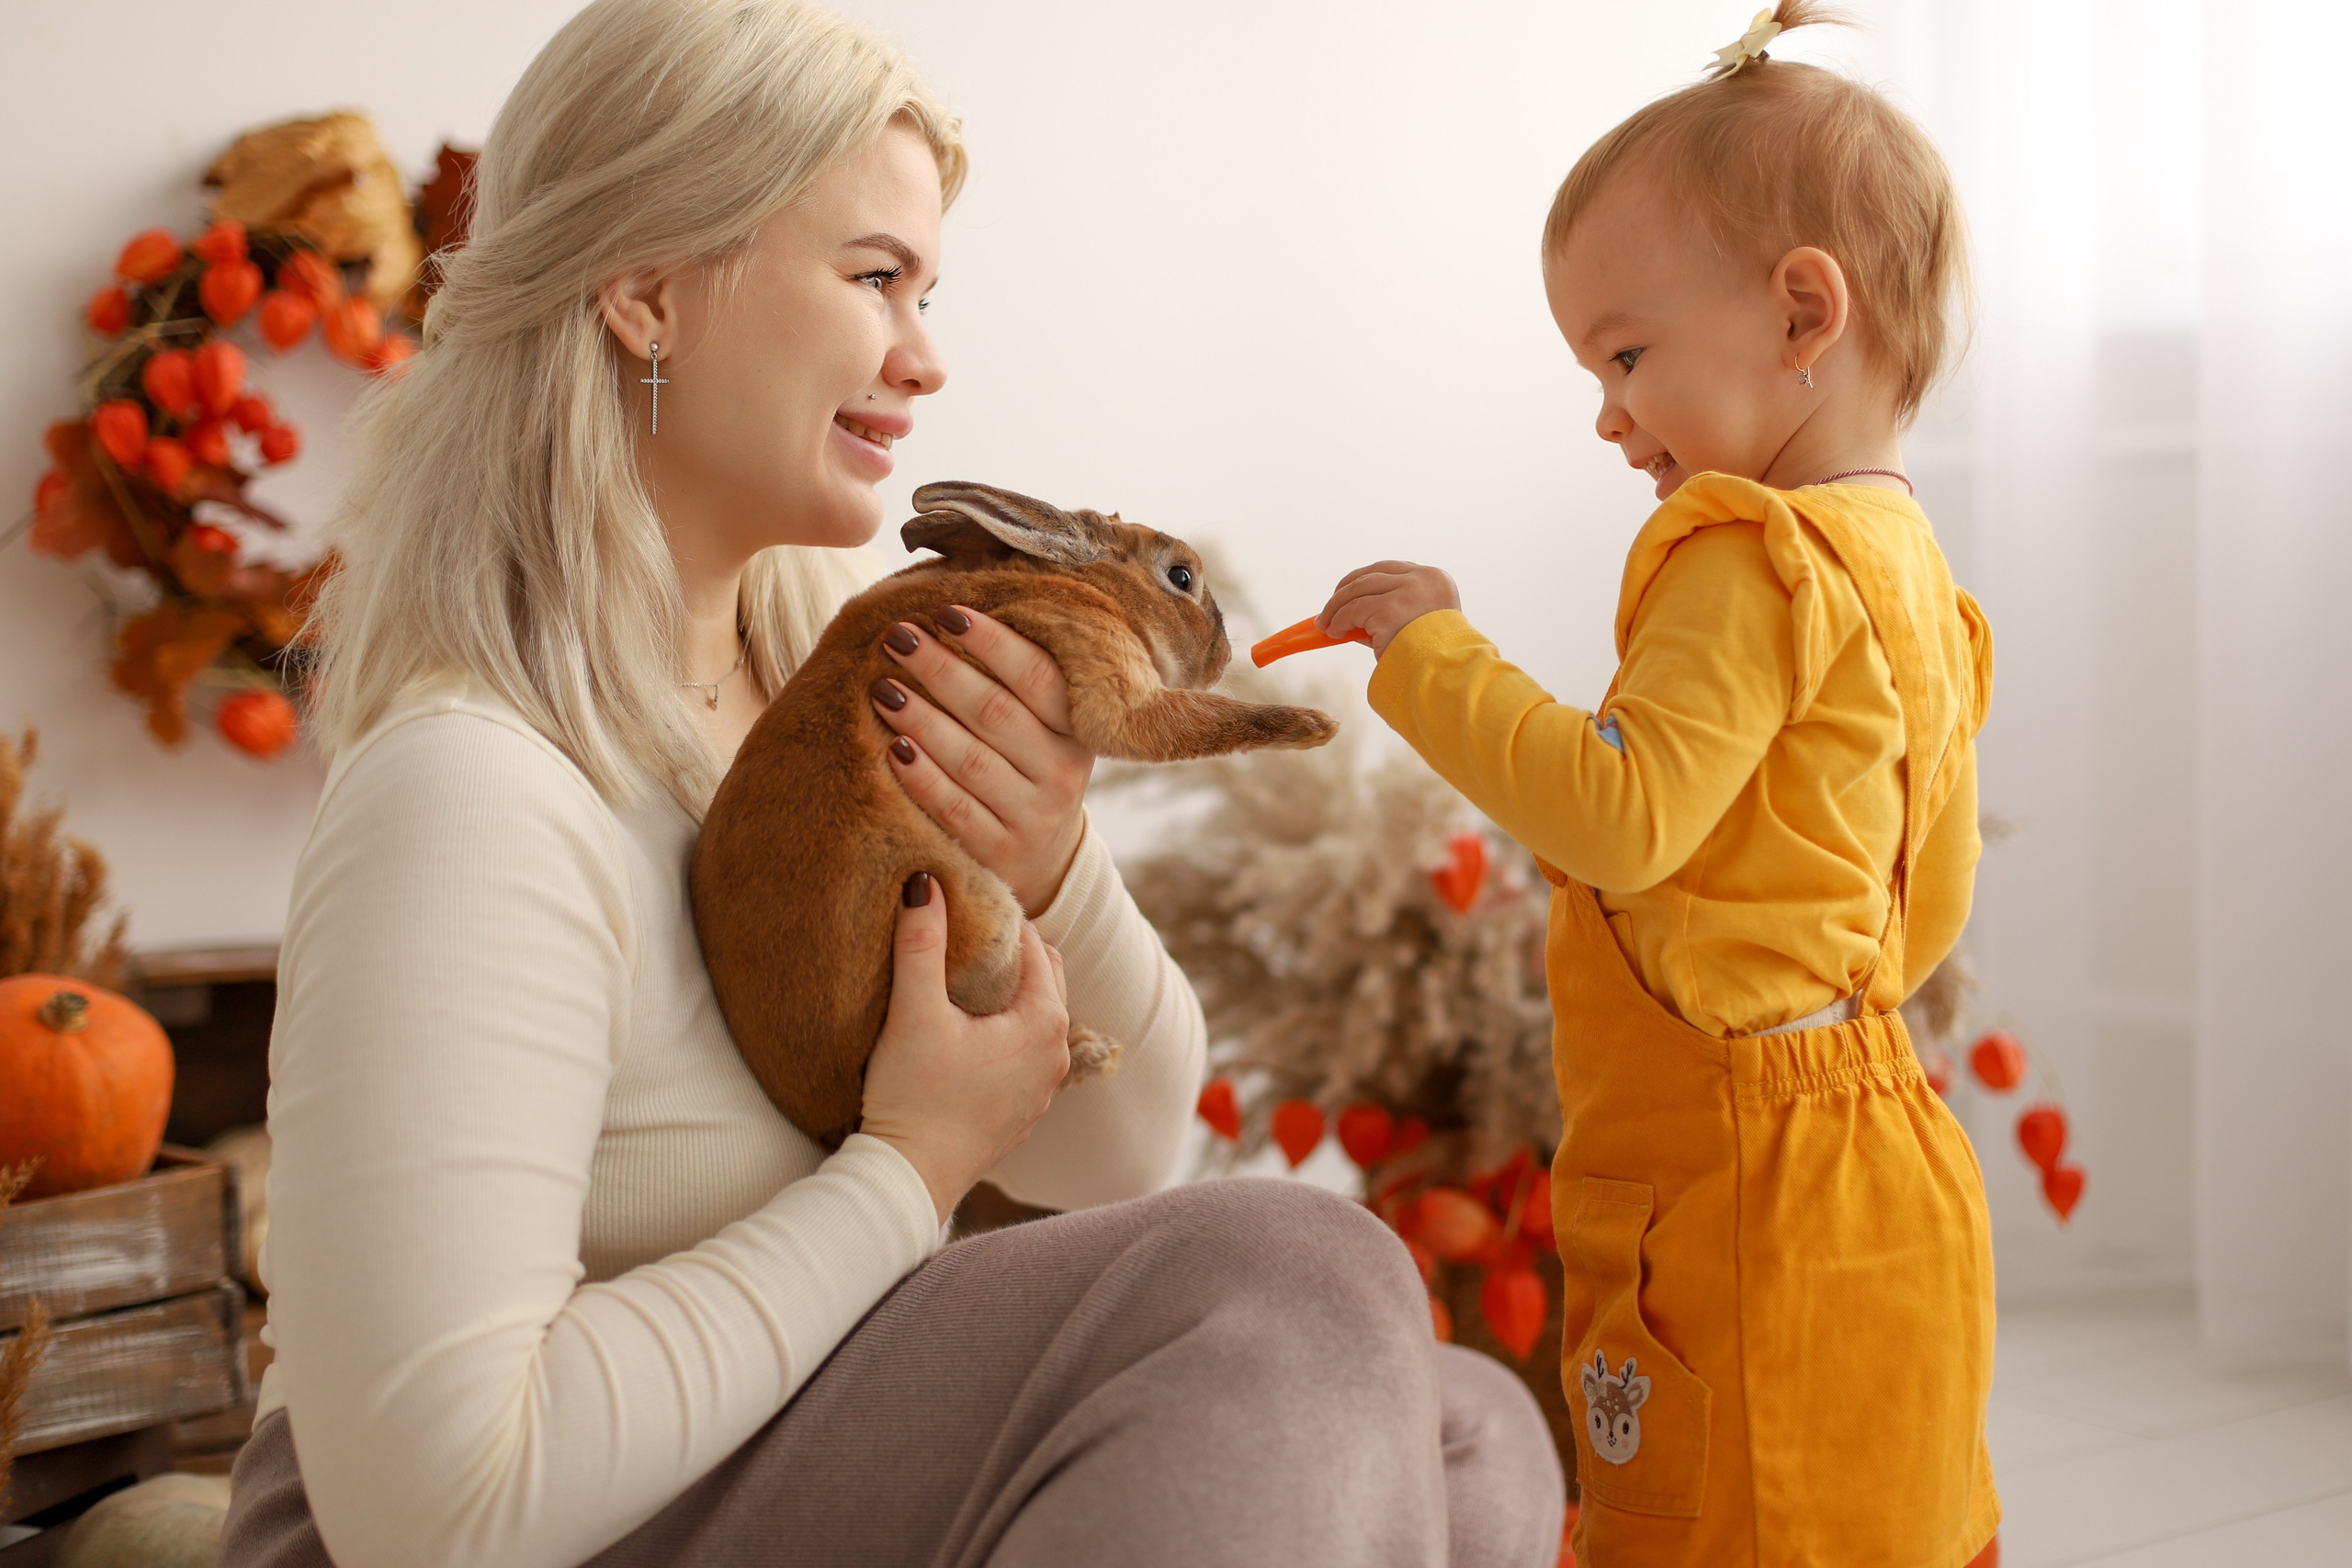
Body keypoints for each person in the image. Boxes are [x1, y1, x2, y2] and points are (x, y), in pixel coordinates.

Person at [218, 3, 1564, 1566]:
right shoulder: (472, 793)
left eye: (927, 291)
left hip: (743, 1457)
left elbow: (1117, 1159)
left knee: (1464, 1422)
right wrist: (909, 1170)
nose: (925, 359)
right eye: (875, 280)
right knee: (1296, 1281)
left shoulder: (828, 717)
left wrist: (1049, 859)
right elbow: (437, 1508)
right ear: (648, 291)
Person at [1316, 5, 1999, 1564]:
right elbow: (1930, 900)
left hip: (1742, 1173)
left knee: (1714, 1522)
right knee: (1884, 1513)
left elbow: (1619, 816)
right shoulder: (1920, 581)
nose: (1611, 413)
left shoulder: (1748, 551)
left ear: (1802, 312)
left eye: (1626, 355)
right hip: (1889, 1146)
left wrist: (1431, 652)